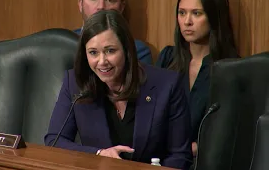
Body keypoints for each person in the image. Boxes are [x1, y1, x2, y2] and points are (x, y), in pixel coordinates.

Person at [45, 9, 193, 169]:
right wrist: (99, 154)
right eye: (93, 53)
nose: (102, 61)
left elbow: (180, 155)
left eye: (110, 51)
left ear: (127, 50)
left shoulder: (168, 85)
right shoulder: (75, 83)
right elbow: (55, 141)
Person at [155, 0, 239, 157]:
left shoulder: (232, 68)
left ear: (214, 17)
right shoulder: (167, 58)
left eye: (196, 13)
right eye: (182, 13)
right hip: (160, 158)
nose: (187, 21)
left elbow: (229, 135)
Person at [73, 0, 153, 65]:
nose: (101, 7)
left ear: (121, 7)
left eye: (110, 0)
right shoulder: (63, 43)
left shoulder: (137, 51)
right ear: (80, 3)